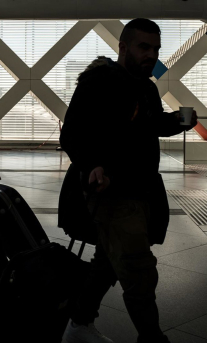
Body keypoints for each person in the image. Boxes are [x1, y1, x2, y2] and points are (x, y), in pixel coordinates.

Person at [60, 19, 198, 343]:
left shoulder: (146, 87)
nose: (151, 55)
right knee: (139, 271)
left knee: (107, 262)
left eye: (156, 49)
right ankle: (152, 338)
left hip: (141, 191)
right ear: (123, 47)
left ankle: (78, 323)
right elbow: (71, 134)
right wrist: (91, 165)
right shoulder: (99, 83)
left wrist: (180, 120)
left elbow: (152, 125)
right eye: (144, 47)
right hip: (112, 194)